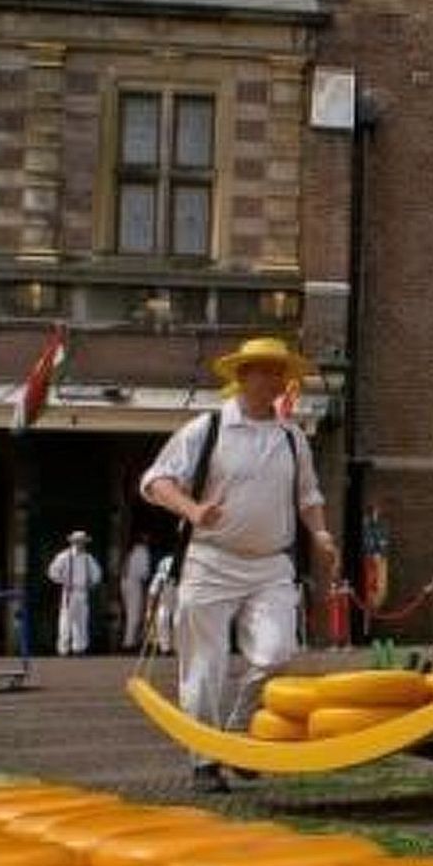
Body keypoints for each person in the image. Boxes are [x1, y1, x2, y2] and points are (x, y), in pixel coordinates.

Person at [141, 336, 338, 793]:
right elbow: (156, 480)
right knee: (205, 666)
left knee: (276, 653)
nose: (274, 379)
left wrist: (321, 532)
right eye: (265, 370)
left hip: (271, 565)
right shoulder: (206, 428)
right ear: (243, 376)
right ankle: (204, 760)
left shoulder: (292, 438)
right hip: (211, 562)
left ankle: (237, 732)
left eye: (280, 371)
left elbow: (309, 496)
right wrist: (193, 511)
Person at [47, 530, 102, 656]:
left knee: (82, 620)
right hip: (69, 592)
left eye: (82, 542)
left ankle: (79, 648)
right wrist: (63, 581)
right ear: (73, 542)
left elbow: (97, 574)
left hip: (82, 592)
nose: (80, 544)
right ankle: (63, 649)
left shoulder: (88, 558)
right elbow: (52, 572)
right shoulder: (64, 557)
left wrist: (91, 583)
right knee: (66, 620)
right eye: (77, 541)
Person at [119, 533, 153, 650]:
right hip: (135, 583)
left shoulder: (131, 551)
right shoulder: (143, 552)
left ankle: (129, 640)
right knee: (135, 613)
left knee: (129, 612)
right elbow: (144, 572)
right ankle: (129, 642)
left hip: (124, 582)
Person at [148, 553, 177, 654]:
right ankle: (165, 647)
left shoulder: (179, 579)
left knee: (178, 620)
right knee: (162, 617)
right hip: (165, 605)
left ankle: (177, 646)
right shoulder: (158, 579)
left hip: (178, 604)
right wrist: (149, 610)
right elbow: (152, 594)